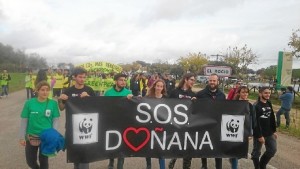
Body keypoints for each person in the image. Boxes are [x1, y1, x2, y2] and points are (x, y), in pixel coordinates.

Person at [58, 67, 95, 169]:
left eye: (84, 77)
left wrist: (89, 98)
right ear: (74, 77)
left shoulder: (89, 90)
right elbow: (61, 108)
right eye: (80, 77)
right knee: (75, 156)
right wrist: (60, 100)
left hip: (86, 129)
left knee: (85, 156)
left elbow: (96, 108)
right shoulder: (68, 91)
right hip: (71, 127)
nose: (82, 79)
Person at [19, 81, 60, 169]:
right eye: (42, 90)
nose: (45, 92)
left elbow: (55, 120)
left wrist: (54, 135)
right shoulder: (29, 103)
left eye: (47, 90)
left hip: (46, 137)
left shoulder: (53, 103)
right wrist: (22, 137)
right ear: (37, 90)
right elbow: (24, 121)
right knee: (30, 161)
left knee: (44, 160)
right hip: (31, 136)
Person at [196, 73, 225, 169]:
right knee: (204, 145)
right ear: (208, 81)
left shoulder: (222, 95)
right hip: (204, 125)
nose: (212, 82)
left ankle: (218, 166)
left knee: (218, 146)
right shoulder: (200, 94)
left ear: (218, 82)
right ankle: (204, 165)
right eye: (210, 80)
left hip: (217, 126)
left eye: (214, 81)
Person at [104, 73, 133, 169]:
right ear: (115, 81)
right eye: (121, 80)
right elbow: (103, 107)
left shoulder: (128, 92)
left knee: (122, 144)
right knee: (111, 142)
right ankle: (111, 162)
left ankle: (120, 165)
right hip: (111, 122)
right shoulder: (108, 92)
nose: (123, 82)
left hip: (123, 123)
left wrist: (132, 99)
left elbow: (133, 108)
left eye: (125, 80)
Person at [168, 73, 196, 169]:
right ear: (185, 80)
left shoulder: (193, 95)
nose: (193, 82)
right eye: (191, 80)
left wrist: (196, 102)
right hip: (176, 126)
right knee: (176, 147)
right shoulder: (174, 92)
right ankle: (172, 162)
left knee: (188, 149)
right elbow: (166, 106)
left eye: (194, 80)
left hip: (188, 126)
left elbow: (195, 112)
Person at [229, 86, 256, 169]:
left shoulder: (250, 105)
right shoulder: (234, 104)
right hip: (234, 130)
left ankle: (232, 158)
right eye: (243, 92)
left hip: (245, 131)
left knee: (242, 152)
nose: (245, 94)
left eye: (246, 92)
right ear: (239, 93)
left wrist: (251, 133)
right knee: (235, 152)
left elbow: (252, 119)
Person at [251, 87, 277, 169]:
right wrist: (259, 136)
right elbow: (254, 122)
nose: (268, 94)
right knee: (256, 153)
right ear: (260, 94)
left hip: (269, 132)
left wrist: (273, 130)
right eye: (265, 93)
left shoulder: (269, 103)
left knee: (272, 150)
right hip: (259, 133)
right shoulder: (256, 106)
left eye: (269, 93)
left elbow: (272, 117)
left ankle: (262, 165)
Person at [145, 79, 167, 169]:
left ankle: (162, 167)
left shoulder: (166, 98)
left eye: (161, 86)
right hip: (150, 126)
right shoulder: (148, 97)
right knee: (148, 147)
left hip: (161, 127)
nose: (159, 88)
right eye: (157, 86)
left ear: (163, 88)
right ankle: (148, 166)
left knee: (161, 148)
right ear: (154, 86)